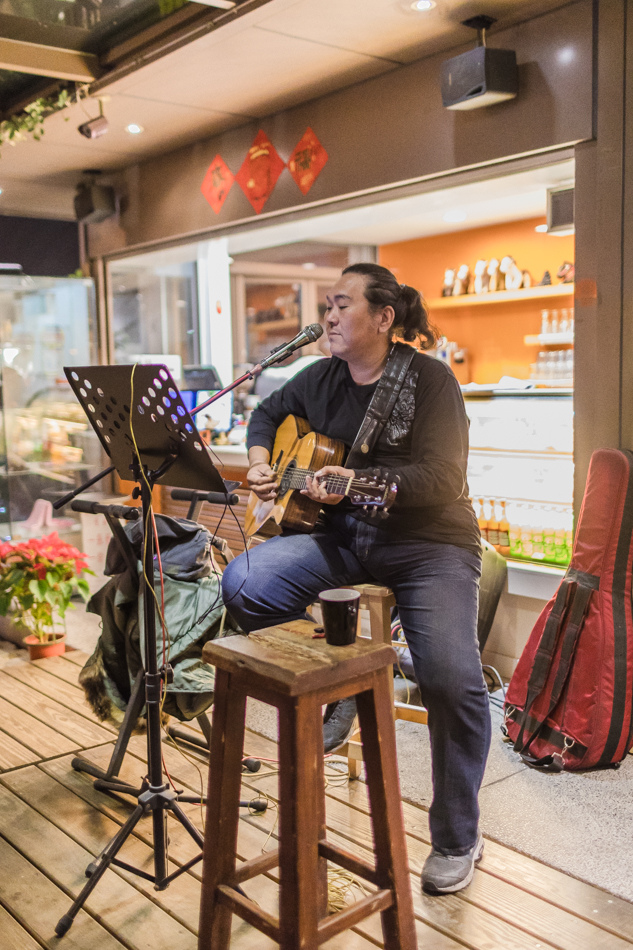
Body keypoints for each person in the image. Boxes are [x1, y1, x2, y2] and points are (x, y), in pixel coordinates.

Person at [222, 262, 490, 895]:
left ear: (384, 317)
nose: (329, 317)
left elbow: (444, 480)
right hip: (346, 541)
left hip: (430, 546)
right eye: (327, 307)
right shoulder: (320, 377)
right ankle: (343, 683)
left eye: (342, 305)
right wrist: (262, 463)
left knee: (453, 680)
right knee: (244, 581)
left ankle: (456, 836)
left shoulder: (429, 381)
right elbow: (266, 413)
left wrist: (360, 484)